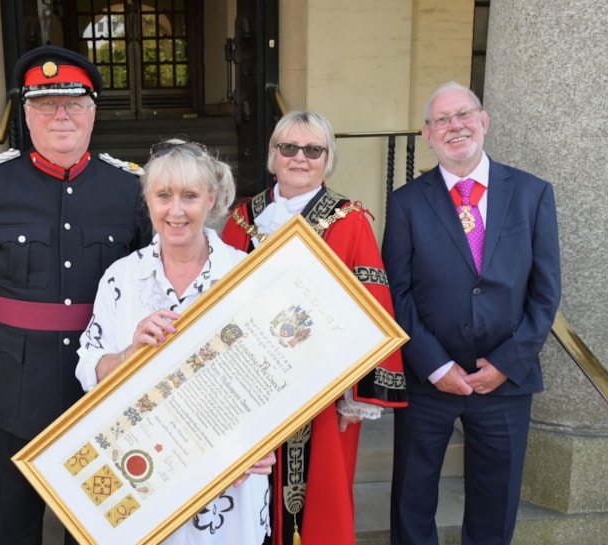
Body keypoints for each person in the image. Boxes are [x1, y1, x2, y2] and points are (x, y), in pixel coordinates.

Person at [0, 45, 152, 545]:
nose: (61, 116)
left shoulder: (130, 188)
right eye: (45, 104)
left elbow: (149, 275)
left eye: (74, 103)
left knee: (99, 526)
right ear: (26, 113)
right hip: (12, 387)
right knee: (12, 528)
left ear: (93, 111)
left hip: (103, 388)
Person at [382, 81, 561, 545]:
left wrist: (506, 363)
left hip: (505, 380)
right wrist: (435, 365)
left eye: (464, 114)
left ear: (483, 121)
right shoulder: (405, 202)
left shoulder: (531, 192)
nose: (454, 126)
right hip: (429, 379)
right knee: (412, 497)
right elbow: (396, 293)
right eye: (442, 119)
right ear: (427, 135)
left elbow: (545, 292)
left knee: (495, 502)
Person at [221, 110, 407, 545]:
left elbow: (373, 308)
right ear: (272, 155)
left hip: (323, 392)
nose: (299, 158)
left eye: (312, 149)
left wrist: (355, 397)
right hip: (249, 390)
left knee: (321, 502)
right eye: (288, 148)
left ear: (328, 158)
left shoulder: (349, 219)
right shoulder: (241, 218)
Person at [76, 139, 276, 544]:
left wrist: (268, 441)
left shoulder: (247, 274)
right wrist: (130, 355)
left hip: (229, 478)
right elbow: (88, 367)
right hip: (145, 470)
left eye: (190, 196)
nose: (176, 210)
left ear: (211, 199)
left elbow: (275, 375)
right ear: (147, 199)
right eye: (163, 195)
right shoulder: (122, 277)